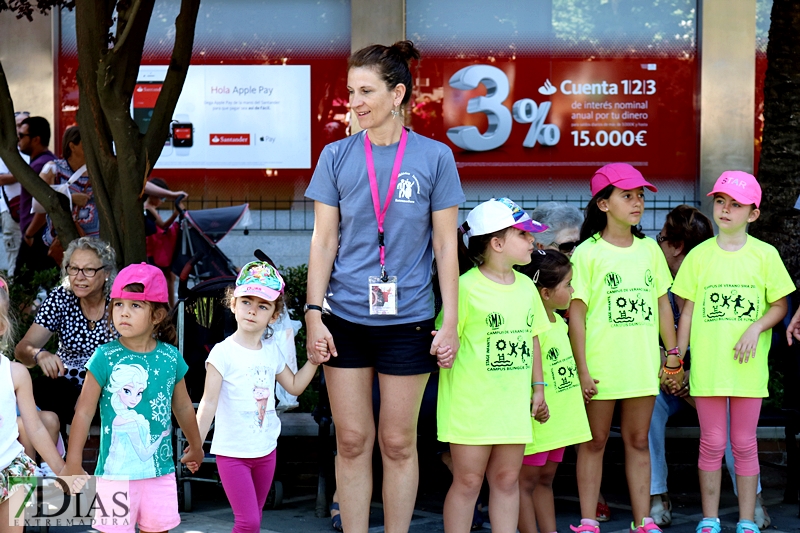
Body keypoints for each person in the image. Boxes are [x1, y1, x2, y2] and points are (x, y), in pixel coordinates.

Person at [304, 40, 464, 532]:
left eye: (366, 91)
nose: (354, 101)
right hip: (345, 319)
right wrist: (313, 313)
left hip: (410, 320)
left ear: (397, 94)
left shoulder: (436, 157)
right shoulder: (335, 156)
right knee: (352, 442)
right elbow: (323, 240)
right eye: (351, 91)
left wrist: (450, 321)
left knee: (399, 443)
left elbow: (444, 247)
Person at [672, 171, 793, 533]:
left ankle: (745, 519)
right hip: (709, 366)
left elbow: (780, 305)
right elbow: (687, 310)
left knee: (743, 443)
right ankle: (709, 519)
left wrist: (756, 327)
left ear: (752, 214)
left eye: (736, 204)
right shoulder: (699, 255)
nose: (725, 210)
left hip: (747, 367)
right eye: (721, 201)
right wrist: (676, 356)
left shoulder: (765, 255)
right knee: (711, 442)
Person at [568, 163, 678, 533]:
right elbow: (577, 316)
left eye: (641, 196)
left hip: (641, 365)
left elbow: (663, 304)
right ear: (603, 204)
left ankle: (643, 520)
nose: (637, 203)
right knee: (595, 442)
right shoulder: (586, 253)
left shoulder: (650, 251)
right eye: (627, 196)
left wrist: (673, 353)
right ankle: (587, 520)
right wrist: (582, 369)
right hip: (600, 367)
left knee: (637, 441)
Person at [437, 198, 551, 533]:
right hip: (471, 406)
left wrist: (539, 388)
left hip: (511, 405)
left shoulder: (528, 287)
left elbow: (533, 340)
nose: (532, 240)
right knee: (468, 482)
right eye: (523, 234)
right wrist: (443, 350)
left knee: (506, 479)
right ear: (497, 243)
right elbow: (446, 338)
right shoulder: (464, 288)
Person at [62, 262, 203, 532]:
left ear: (157, 315)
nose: (123, 313)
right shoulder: (105, 357)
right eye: (118, 304)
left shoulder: (170, 357)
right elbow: (83, 411)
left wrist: (195, 446)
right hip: (114, 477)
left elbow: (184, 407)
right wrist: (73, 461)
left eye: (135, 306)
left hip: (159, 473)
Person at [194, 261, 320, 533]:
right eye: (247, 301)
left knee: (256, 518)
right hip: (232, 454)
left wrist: (314, 361)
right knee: (248, 522)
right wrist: (196, 444)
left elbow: (295, 386)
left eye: (262, 305)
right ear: (233, 304)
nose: (252, 310)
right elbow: (208, 403)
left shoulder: (272, 351)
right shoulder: (222, 353)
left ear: (273, 316)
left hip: (266, 450)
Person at [516, 250, 592, 533]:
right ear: (545, 293)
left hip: (560, 422)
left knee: (546, 479)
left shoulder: (559, 321)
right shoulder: (531, 330)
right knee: (526, 482)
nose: (573, 290)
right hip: (539, 422)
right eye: (568, 284)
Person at [15, 237, 118, 435]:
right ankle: (49, 462)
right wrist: (39, 354)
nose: (79, 277)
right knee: (39, 390)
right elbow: (22, 349)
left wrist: (92, 389)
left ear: (105, 273)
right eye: (73, 268)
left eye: (88, 270)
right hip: (65, 387)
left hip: (109, 387)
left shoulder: (119, 302)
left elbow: (132, 354)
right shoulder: (61, 297)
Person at [0, 276, 69, 533]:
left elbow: (36, 430)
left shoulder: (15, 373)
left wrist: (63, 470)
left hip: (11, 469)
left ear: (1, 327)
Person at [40, 126, 100, 248]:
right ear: (72, 146)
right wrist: (70, 198)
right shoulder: (53, 168)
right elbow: (38, 200)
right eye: (86, 142)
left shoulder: (98, 171)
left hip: (96, 241)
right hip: (64, 239)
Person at [16, 116, 56, 280]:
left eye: (22, 136)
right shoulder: (43, 162)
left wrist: (30, 234)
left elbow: (45, 204)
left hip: (37, 236)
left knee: (22, 285)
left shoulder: (42, 166)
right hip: (38, 235)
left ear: (36, 139)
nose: (18, 140)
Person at [143, 177, 182, 307]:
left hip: (155, 248)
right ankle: (170, 306)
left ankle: (170, 306)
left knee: (170, 277)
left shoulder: (148, 208)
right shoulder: (148, 208)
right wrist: (176, 213)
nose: (161, 202)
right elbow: (164, 225)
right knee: (168, 277)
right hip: (154, 250)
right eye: (161, 198)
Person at [0, 111, 30, 276]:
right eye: (18, 125)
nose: (20, 131)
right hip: (12, 214)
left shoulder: (31, 152)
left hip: (31, 214)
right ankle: (12, 300)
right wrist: (28, 174)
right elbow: (1, 179)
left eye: (24, 125)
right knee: (14, 261)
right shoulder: (6, 154)